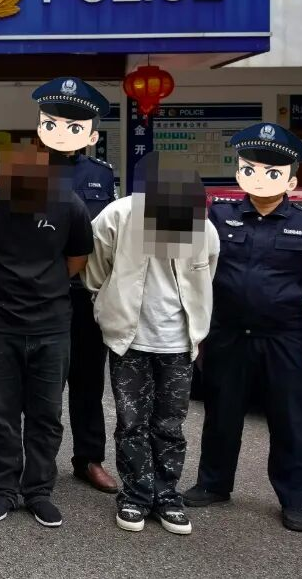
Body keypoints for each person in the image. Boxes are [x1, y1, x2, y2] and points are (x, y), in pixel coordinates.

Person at [182, 123, 302, 533]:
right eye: (250, 169)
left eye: (272, 172)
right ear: (240, 173)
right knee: (222, 414)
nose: (259, 178)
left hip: (285, 338)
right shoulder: (219, 216)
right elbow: (194, 268)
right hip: (228, 334)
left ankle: (294, 500)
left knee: (289, 421)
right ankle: (214, 484)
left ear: (290, 181)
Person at [83, 152, 219, 535]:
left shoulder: (202, 226)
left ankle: (167, 495)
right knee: (131, 423)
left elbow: (208, 270)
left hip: (178, 342)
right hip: (130, 339)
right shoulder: (119, 215)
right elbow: (95, 265)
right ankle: (135, 495)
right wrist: (106, 302)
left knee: (170, 424)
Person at [0, 139, 93, 528]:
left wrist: (43, 286)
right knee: (0, 414)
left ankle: (38, 491)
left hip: (52, 326)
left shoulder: (68, 204)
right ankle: (3, 488)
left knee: (46, 415)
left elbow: (77, 258)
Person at [31, 77, 119, 494]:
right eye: (53, 122)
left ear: (92, 134)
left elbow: (109, 237)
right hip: (38, 294)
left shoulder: (101, 175)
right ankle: (35, 461)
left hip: (85, 295)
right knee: (39, 383)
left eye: (75, 124)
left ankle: (89, 459)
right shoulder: (24, 171)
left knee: (87, 381)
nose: (62, 132)